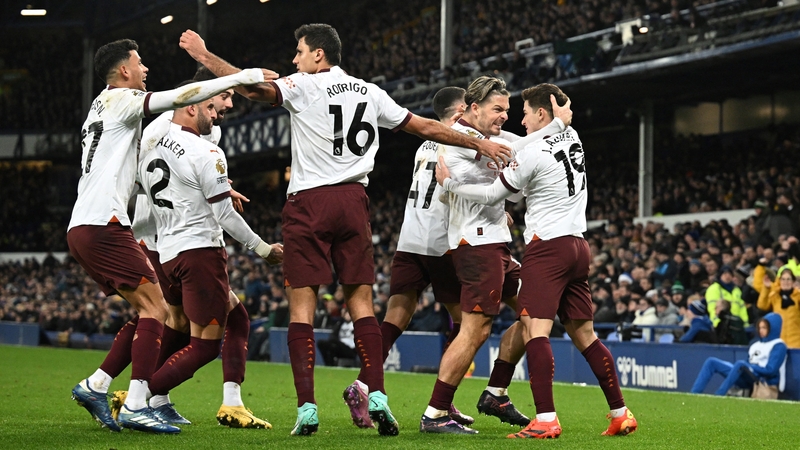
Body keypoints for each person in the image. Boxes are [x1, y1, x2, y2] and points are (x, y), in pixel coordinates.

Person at [178, 23, 512, 437]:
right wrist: (478, 143)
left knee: (302, 309)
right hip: (355, 202)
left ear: (319, 54)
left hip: (310, 203)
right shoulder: (369, 91)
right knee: (363, 306)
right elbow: (424, 127)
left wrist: (204, 56)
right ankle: (378, 396)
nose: (294, 59)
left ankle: (307, 409)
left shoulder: (303, 85)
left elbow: (252, 91)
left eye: (299, 51)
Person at [68, 38, 274, 433]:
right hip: (148, 232)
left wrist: (211, 185)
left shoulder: (100, 107)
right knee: (159, 314)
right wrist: (245, 75)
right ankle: (138, 400)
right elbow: (169, 121)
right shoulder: (143, 108)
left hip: (100, 223)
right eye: (222, 96)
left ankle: (113, 387)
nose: (146, 68)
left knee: (164, 315)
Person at [436, 83, 637, 439]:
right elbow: (521, 144)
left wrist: (450, 186)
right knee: (585, 334)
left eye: (525, 113)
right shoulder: (571, 135)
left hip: (548, 248)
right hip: (578, 245)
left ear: (542, 113)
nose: (520, 120)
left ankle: (545, 419)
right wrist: (558, 125)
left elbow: (491, 192)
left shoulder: (533, 152)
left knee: (534, 328)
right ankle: (620, 412)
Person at [420, 77, 574, 436]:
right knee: (476, 328)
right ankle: (436, 413)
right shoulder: (455, 137)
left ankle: (495, 392)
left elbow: (525, 149)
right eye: (497, 109)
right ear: (473, 109)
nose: (505, 116)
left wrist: (556, 126)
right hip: (474, 246)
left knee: (533, 314)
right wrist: (555, 126)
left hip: (497, 244)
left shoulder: (498, 138)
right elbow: (490, 151)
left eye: (507, 110)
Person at [129, 67, 272, 429]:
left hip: (167, 250)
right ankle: (138, 398)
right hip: (199, 252)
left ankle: (224, 401)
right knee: (206, 345)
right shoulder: (208, 150)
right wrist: (263, 248)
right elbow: (224, 214)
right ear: (193, 104)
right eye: (217, 102)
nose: (221, 110)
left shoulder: (156, 137)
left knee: (232, 317)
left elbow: (151, 184)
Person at [343, 86, 473, 430]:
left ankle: (360, 385)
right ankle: (444, 403)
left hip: (410, 239)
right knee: (468, 326)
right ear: (459, 110)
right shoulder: (462, 138)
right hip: (442, 242)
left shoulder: (424, 145)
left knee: (394, 320)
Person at [690, 313, 787, 396]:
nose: (761, 330)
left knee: (740, 364)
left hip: (762, 380)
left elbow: (771, 370)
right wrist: (748, 367)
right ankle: (694, 394)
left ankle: (719, 395)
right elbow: (748, 362)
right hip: (748, 374)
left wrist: (751, 367)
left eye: (764, 328)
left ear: (773, 328)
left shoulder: (778, 345)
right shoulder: (755, 345)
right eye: (760, 327)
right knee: (711, 362)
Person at [757, 269, 800, 348]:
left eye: (788, 279)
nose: (785, 282)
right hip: (779, 341)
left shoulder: (798, 296)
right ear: (779, 281)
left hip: (797, 342)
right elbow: (762, 305)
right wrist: (766, 288)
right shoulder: (775, 295)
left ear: (793, 282)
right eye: (783, 279)